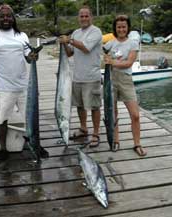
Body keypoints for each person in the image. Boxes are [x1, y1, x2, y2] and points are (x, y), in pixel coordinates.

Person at [0, 4, 48, 164]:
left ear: (13, 18)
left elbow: (28, 58)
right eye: (2, 16)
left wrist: (33, 56)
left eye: (8, 16)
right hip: (4, 87)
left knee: (32, 118)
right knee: (1, 119)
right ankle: (3, 149)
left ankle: (36, 144)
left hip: (24, 86)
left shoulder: (21, 36)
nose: (5, 19)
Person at [103, 15, 147, 156]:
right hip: (111, 79)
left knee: (135, 115)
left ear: (127, 28)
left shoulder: (133, 43)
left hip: (126, 80)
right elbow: (101, 54)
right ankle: (116, 140)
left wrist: (112, 62)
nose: (121, 29)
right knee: (113, 114)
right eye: (119, 27)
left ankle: (137, 144)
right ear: (115, 28)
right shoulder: (110, 43)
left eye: (123, 26)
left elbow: (128, 63)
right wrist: (105, 58)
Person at [59, 6, 102, 147]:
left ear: (91, 17)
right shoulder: (76, 33)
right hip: (77, 77)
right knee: (80, 106)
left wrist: (69, 40)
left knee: (94, 107)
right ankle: (83, 128)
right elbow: (71, 53)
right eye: (81, 16)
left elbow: (85, 48)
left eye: (86, 16)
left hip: (92, 77)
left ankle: (96, 134)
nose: (84, 18)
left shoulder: (96, 31)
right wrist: (64, 44)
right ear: (78, 18)